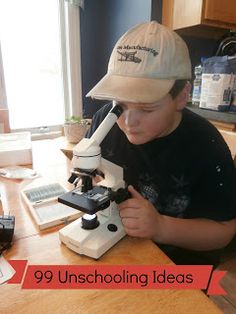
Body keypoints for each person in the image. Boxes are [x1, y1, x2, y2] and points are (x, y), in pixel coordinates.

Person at [85, 21, 236, 265]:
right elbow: (88, 170)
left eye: (146, 108)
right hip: (123, 248)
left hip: (181, 263)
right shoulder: (106, 120)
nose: (128, 121)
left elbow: (224, 232)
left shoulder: (207, 146)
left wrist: (160, 227)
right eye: (119, 104)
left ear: (182, 96)